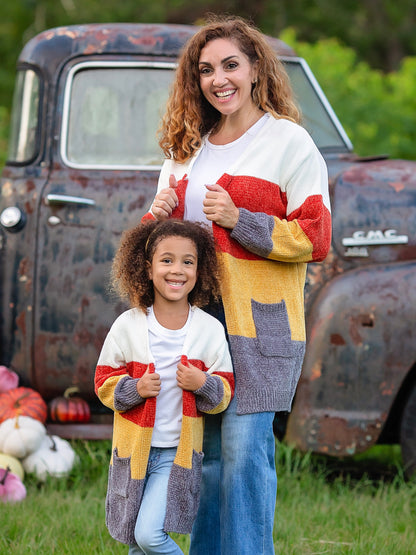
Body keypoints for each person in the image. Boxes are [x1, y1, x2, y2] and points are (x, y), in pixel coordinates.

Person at [143, 15, 332, 555]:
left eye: (230, 65)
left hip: (260, 324)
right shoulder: (185, 148)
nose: (218, 79)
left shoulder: (288, 142)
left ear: (255, 70)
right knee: (207, 454)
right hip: (198, 321)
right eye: (206, 70)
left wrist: (242, 220)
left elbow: (316, 237)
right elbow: (164, 250)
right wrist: (154, 220)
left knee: (247, 451)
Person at [94, 219, 235, 554]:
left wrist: (203, 384)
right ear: (147, 267)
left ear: (200, 271)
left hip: (176, 455)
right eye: (166, 260)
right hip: (134, 453)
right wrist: (134, 388)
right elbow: (103, 383)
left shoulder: (209, 329)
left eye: (188, 261)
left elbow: (224, 394)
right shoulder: (129, 325)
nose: (177, 270)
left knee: (149, 536)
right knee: (136, 544)